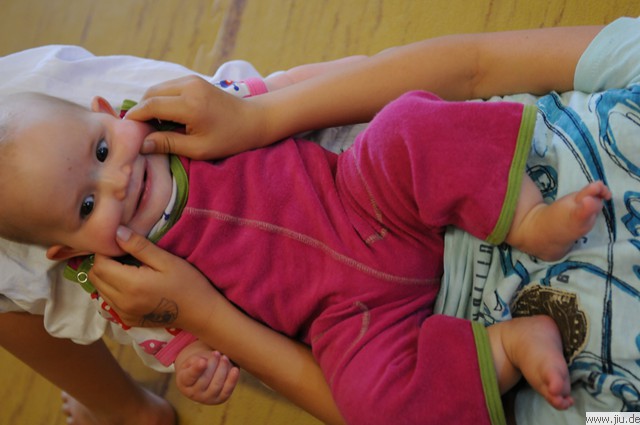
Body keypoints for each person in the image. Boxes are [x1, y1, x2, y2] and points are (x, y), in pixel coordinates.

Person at [0, 20, 613, 425]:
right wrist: (197, 367)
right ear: (66, 250)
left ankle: (528, 217)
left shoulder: (174, 118)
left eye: (102, 149)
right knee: (373, 403)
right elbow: (187, 335)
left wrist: (304, 86)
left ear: (107, 112)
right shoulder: (122, 286)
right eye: (86, 207)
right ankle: (508, 347)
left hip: (363, 197)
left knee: (406, 126)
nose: (117, 181)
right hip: (345, 318)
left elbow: (275, 95)